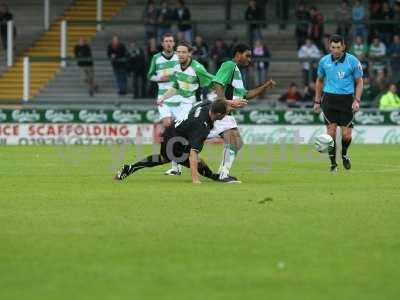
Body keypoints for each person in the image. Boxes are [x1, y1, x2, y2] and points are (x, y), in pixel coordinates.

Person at [114, 100, 228, 184]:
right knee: (198, 162)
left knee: (164, 158)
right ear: (218, 114)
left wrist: (232, 103)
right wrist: (195, 180)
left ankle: (129, 168)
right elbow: (193, 154)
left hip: (170, 131)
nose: (226, 115)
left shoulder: (207, 105)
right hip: (175, 141)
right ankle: (213, 177)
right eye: (225, 114)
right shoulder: (201, 126)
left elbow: (219, 104)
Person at [210, 43, 276, 182]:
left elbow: (246, 95)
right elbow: (217, 83)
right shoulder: (229, 65)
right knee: (235, 142)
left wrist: (265, 86)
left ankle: (222, 173)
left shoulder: (237, 71)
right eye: (247, 55)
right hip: (219, 111)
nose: (250, 59)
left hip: (223, 112)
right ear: (238, 54)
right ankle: (223, 174)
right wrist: (224, 104)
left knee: (235, 142)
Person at [156, 42, 215, 175]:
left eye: (184, 52)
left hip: (195, 107)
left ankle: (181, 166)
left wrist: (222, 97)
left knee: (178, 134)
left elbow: (213, 81)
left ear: (190, 53)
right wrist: (163, 98)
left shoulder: (197, 68)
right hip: (184, 106)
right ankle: (177, 167)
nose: (181, 54)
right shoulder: (176, 67)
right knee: (177, 134)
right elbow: (176, 86)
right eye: (179, 52)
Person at [314, 34, 364, 172]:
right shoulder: (324, 61)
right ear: (329, 47)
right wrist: (317, 101)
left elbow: (359, 82)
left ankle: (344, 155)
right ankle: (333, 164)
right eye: (333, 47)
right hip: (329, 99)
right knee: (330, 133)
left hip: (346, 100)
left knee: (347, 135)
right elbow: (319, 80)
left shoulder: (353, 61)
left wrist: (357, 100)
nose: (335, 50)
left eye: (338, 47)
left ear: (343, 47)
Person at [147, 33, 181, 175]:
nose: (168, 43)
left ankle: (176, 166)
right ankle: (175, 165)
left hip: (178, 97)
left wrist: (173, 77)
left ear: (174, 44)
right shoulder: (156, 58)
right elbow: (149, 76)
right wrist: (160, 78)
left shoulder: (179, 57)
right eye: (166, 41)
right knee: (168, 126)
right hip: (163, 98)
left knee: (178, 129)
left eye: (171, 41)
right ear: (162, 44)